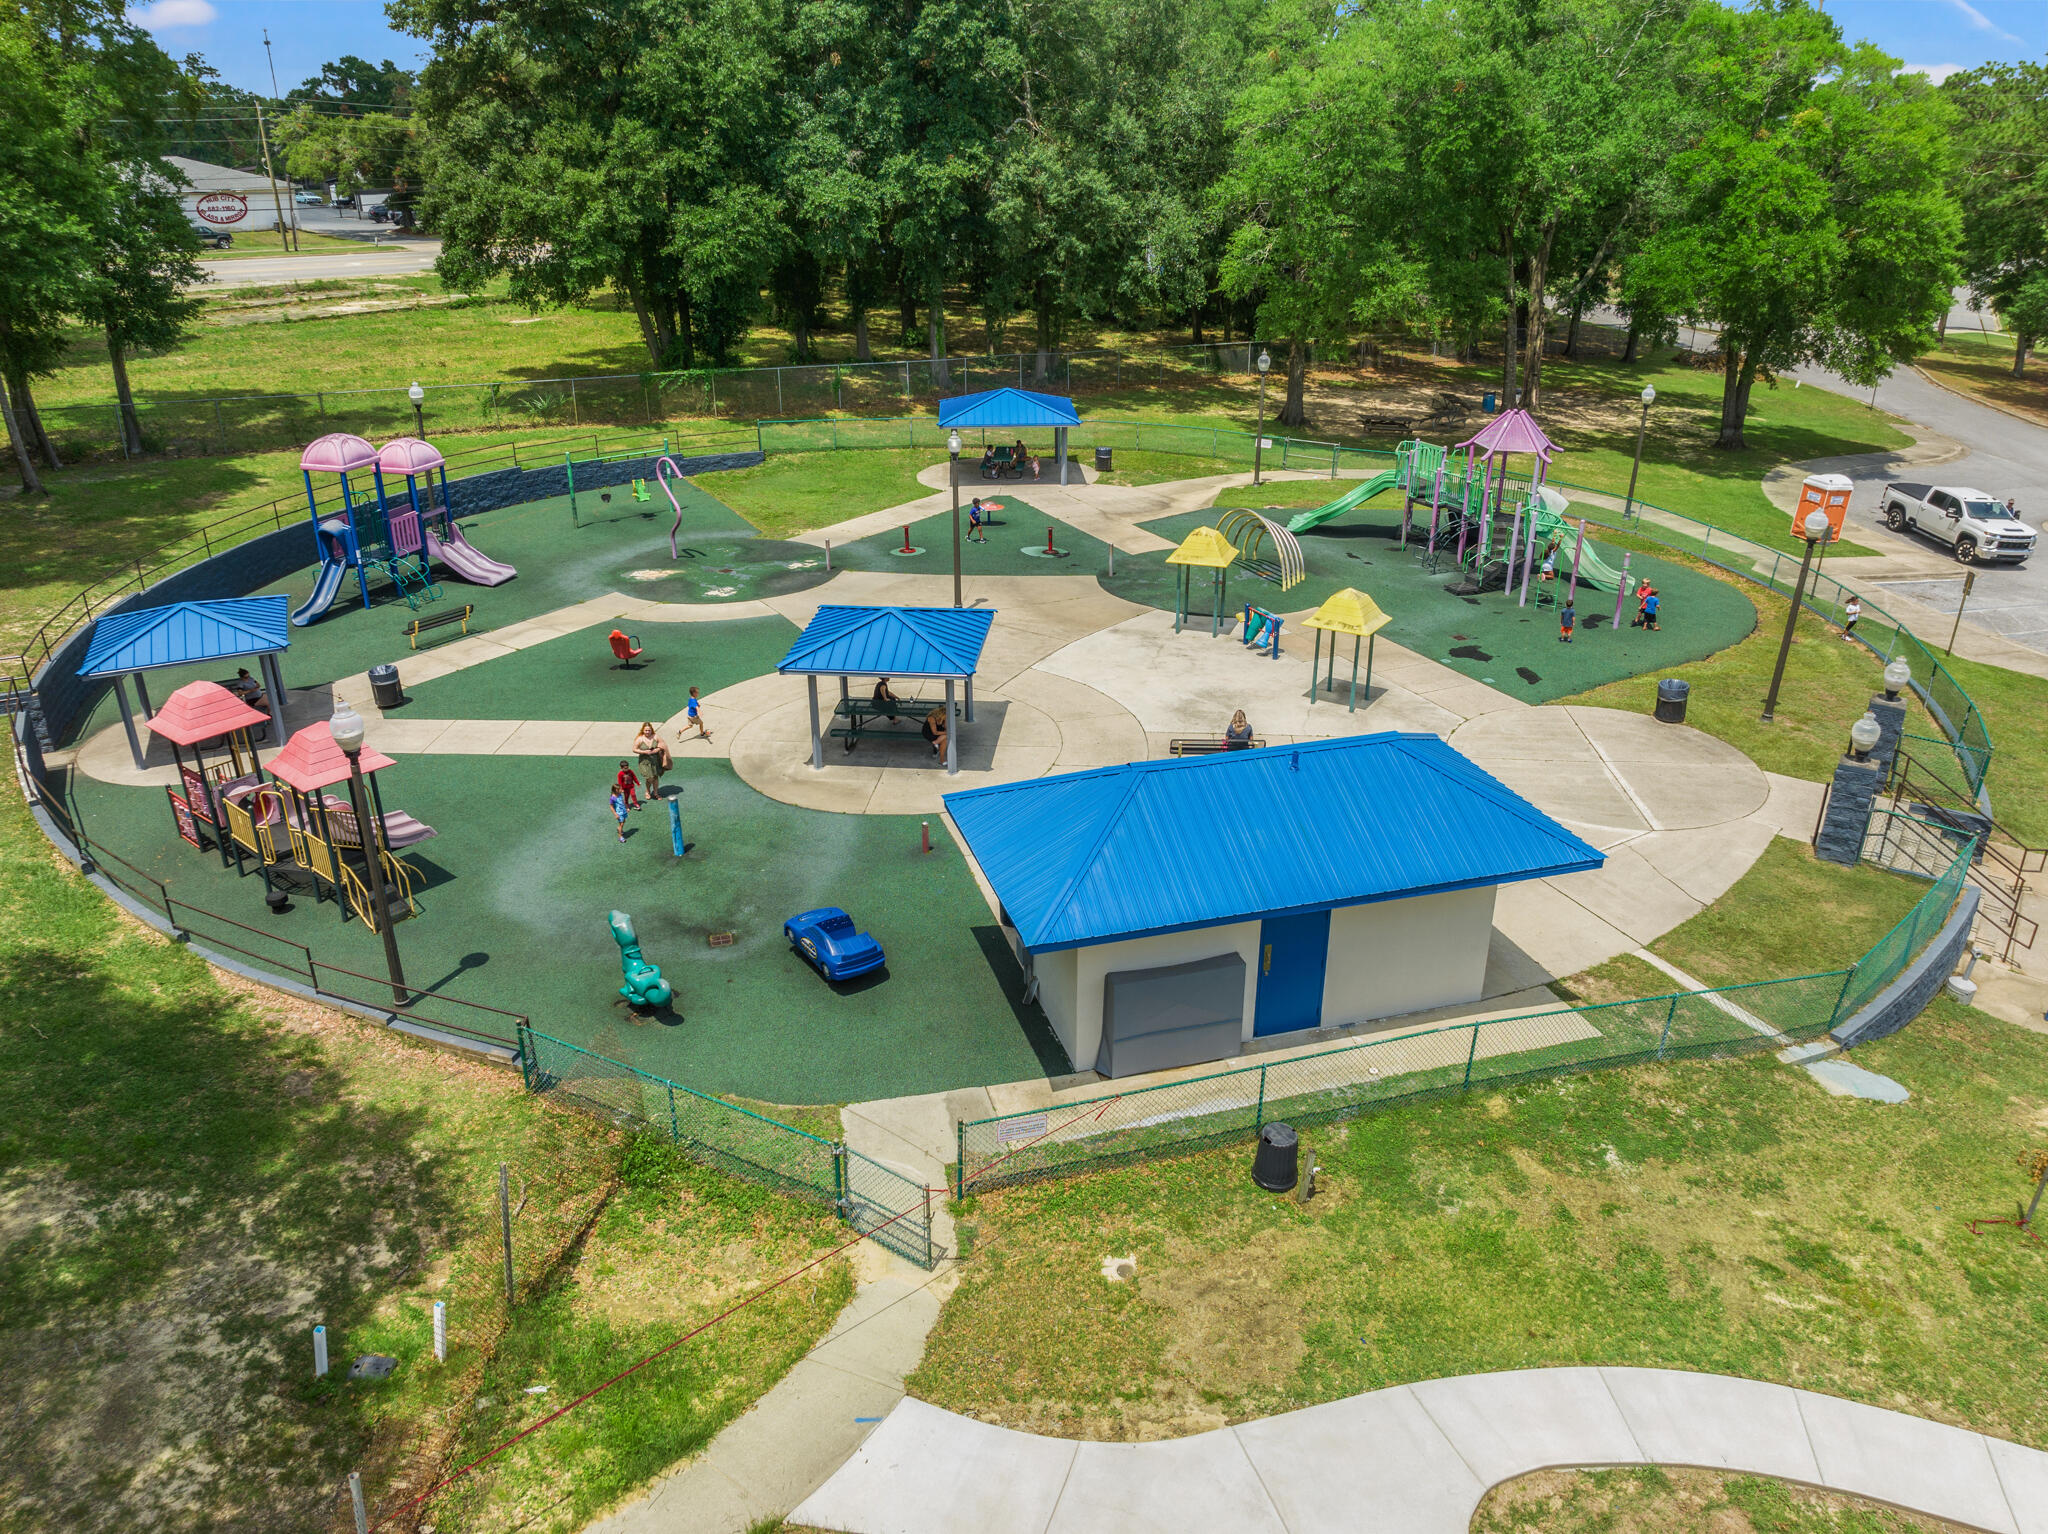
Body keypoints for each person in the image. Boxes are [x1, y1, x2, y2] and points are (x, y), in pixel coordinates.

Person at [632, 722, 670, 799]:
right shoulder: (640, 739)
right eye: (646, 730)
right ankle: (648, 791)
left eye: (649, 730)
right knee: (649, 778)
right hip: (644, 761)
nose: (647, 732)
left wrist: (657, 750)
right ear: (643, 730)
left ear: (651, 730)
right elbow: (634, 749)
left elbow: (663, 745)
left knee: (655, 777)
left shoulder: (656, 736)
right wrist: (644, 752)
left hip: (655, 760)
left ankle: (656, 793)